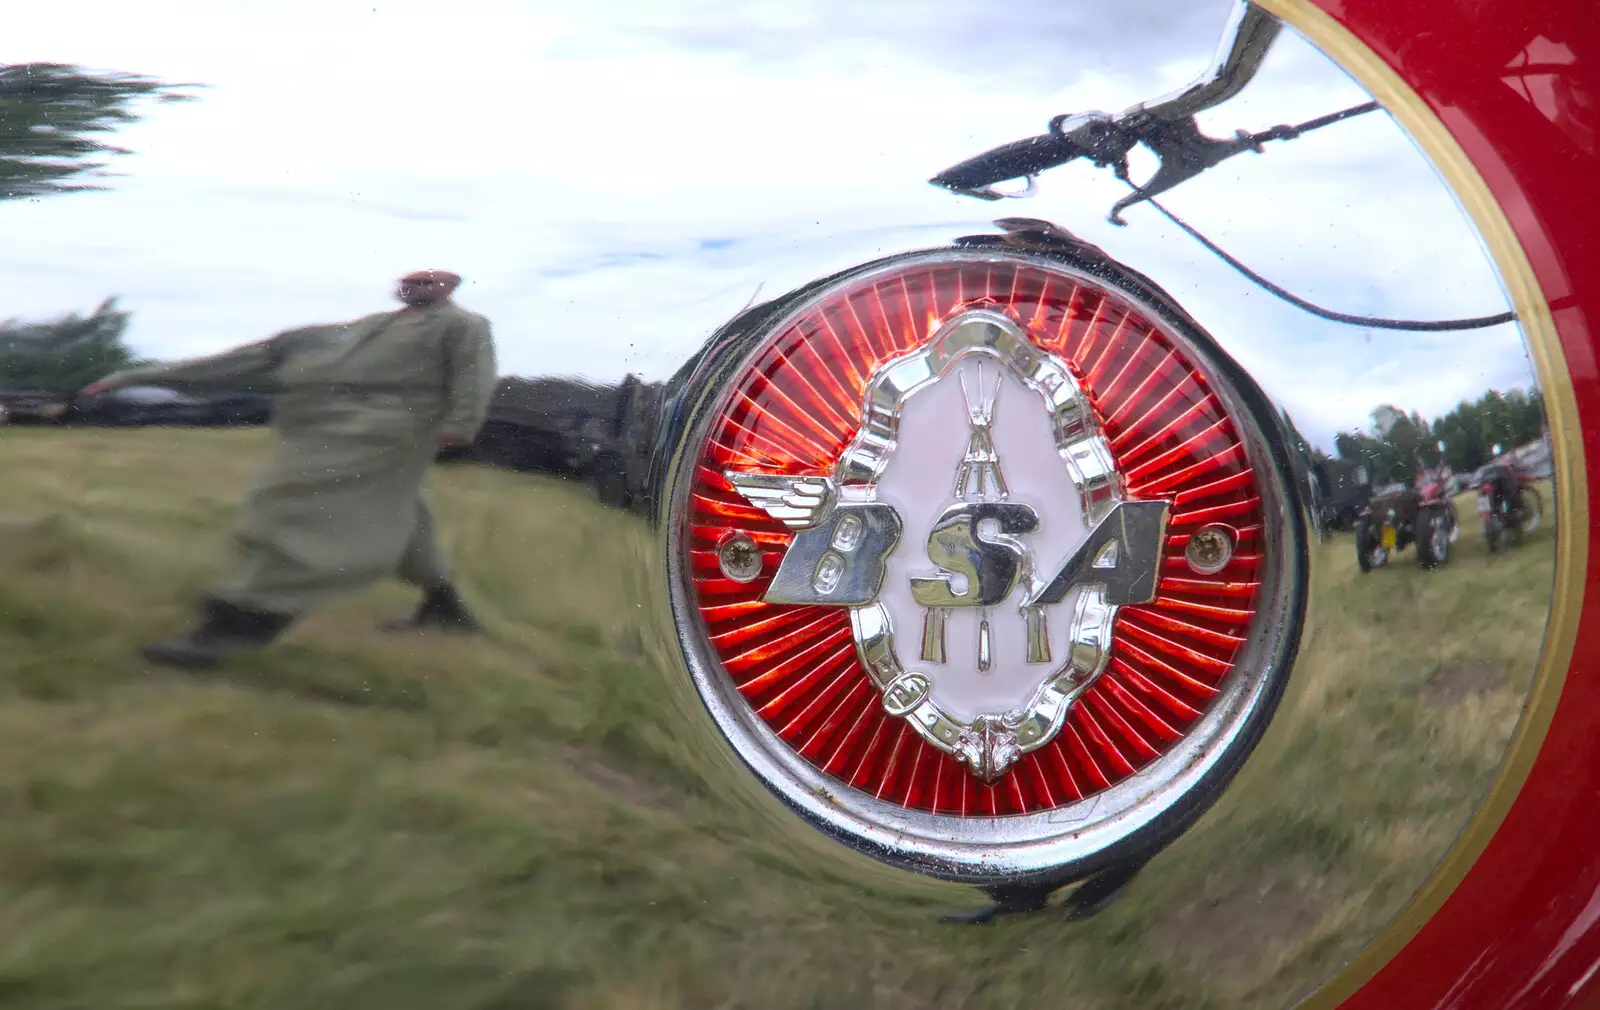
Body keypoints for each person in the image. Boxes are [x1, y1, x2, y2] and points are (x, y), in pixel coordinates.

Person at [81, 269, 497, 669]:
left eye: (427, 280)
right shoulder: (368, 327)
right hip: (326, 424)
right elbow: (241, 360)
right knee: (404, 511)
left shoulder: (463, 326)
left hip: (388, 432)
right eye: (409, 280)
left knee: (301, 509)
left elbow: (473, 374)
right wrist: (130, 376)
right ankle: (446, 608)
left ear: (451, 286)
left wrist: (460, 426)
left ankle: (241, 624)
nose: (415, 286)